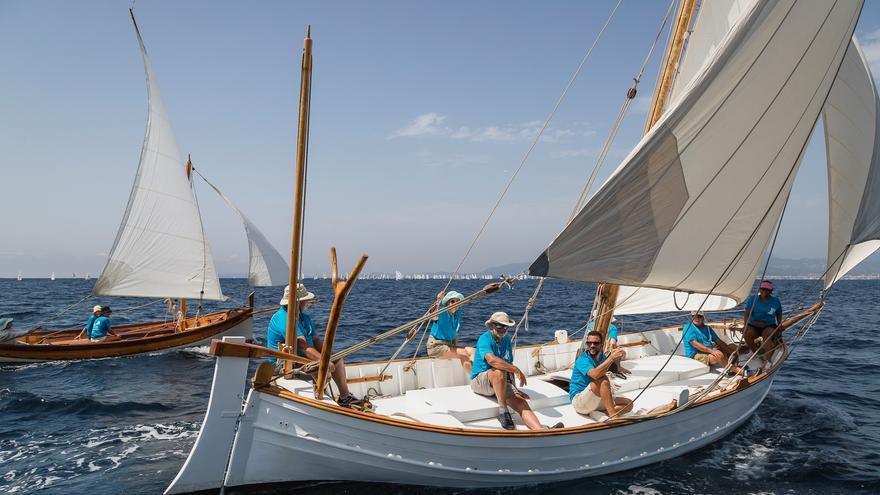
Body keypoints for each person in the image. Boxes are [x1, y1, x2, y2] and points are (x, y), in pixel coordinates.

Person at [267, 283, 363, 408]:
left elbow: (316, 341)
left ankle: (345, 397)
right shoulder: (283, 318)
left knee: (337, 359)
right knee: (324, 367)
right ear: (298, 302)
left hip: (303, 359)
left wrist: (328, 356)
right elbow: (302, 345)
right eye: (305, 300)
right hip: (284, 364)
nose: (308, 303)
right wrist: (323, 362)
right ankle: (321, 401)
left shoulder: (304, 317)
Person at [470, 311, 563, 430]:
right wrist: (516, 370)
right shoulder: (484, 338)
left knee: (521, 402)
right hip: (480, 381)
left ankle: (540, 430)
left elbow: (508, 364)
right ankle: (503, 411)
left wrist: (515, 389)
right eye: (500, 326)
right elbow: (491, 360)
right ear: (492, 326)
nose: (503, 329)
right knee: (498, 371)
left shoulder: (506, 340)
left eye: (506, 326)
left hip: (500, 381)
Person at [569, 331, 633, 417]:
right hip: (580, 402)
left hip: (596, 399)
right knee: (602, 379)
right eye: (589, 343)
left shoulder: (603, 358)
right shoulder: (582, 359)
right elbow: (595, 374)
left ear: (601, 345)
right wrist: (612, 357)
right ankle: (613, 417)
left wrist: (619, 356)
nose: (592, 345)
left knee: (629, 404)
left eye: (596, 343)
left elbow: (613, 367)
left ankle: (602, 414)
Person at [426, 290, 474, 374]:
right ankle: (475, 381)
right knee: (463, 353)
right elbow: (432, 316)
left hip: (449, 345)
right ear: (447, 303)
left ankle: (481, 376)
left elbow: (455, 334)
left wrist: (456, 347)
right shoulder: (442, 312)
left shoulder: (458, 314)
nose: (455, 303)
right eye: (452, 301)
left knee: (473, 351)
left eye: (457, 301)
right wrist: (438, 300)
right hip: (436, 346)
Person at [742, 280, 783, 356]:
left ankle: (768, 359)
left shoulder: (775, 301)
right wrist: (745, 325)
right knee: (746, 334)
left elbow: (779, 313)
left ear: (771, 291)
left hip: (768, 325)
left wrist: (779, 323)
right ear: (759, 289)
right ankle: (755, 352)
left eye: (767, 290)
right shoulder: (753, 299)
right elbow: (746, 313)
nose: (764, 291)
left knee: (767, 335)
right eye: (763, 289)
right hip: (754, 325)